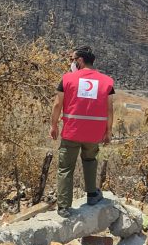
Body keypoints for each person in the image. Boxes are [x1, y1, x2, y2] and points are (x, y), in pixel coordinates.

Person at [49, 46, 115, 217]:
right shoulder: (107, 82)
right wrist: (108, 132)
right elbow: (110, 109)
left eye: (72, 59)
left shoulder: (67, 79)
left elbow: (57, 104)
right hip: (94, 134)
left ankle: (64, 207)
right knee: (90, 160)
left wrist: (54, 125)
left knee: (65, 168)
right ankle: (92, 195)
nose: (71, 63)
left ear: (79, 61)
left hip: (72, 131)